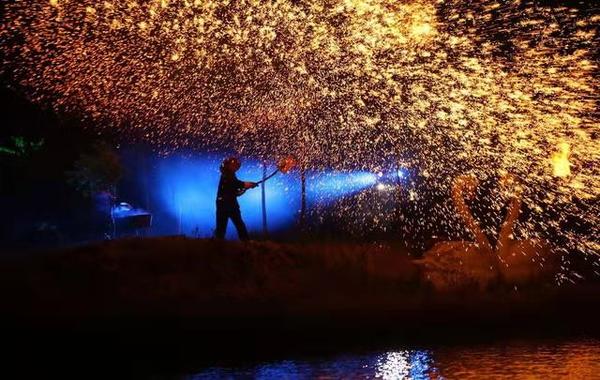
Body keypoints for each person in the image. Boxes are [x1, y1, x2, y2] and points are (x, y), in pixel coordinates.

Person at [215, 157, 257, 240]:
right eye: (234, 165)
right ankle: (245, 243)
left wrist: (246, 187)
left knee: (223, 227)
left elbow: (235, 191)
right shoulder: (227, 174)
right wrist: (246, 184)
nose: (236, 167)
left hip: (225, 203)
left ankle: (218, 245)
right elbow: (236, 184)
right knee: (238, 225)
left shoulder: (228, 174)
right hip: (227, 204)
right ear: (229, 165)